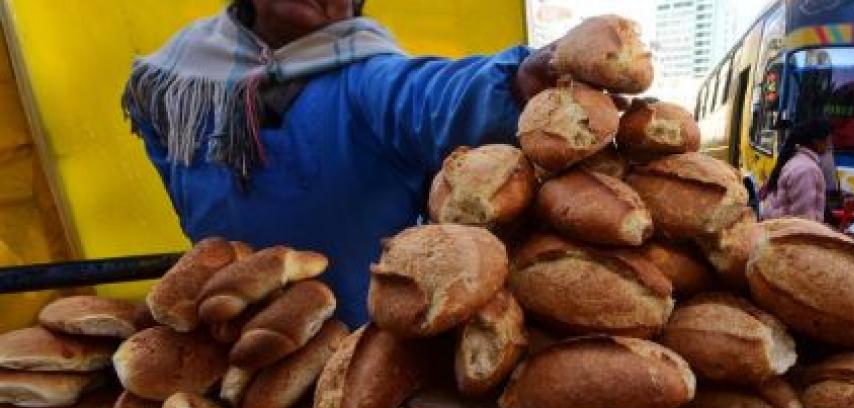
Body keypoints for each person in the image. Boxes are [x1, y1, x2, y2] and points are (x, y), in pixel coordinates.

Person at [123, 0, 556, 327]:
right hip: (229, 331)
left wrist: (518, 83)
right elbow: (175, 174)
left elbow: (436, 97)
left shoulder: (367, 79)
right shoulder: (172, 79)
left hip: (355, 342)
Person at [760, 119, 834, 221]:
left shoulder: (797, 161)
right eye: (829, 140)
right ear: (816, 141)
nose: (830, 144)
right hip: (790, 234)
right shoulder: (807, 170)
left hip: (780, 231)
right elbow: (804, 220)